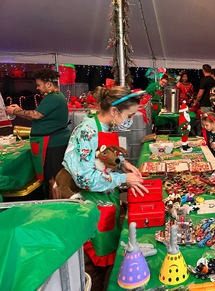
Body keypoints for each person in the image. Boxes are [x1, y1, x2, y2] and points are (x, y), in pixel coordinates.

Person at [62, 86, 148, 290]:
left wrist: (122, 164)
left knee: (106, 259)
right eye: (130, 115)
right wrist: (122, 178)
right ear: (114, 111)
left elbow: (103, 156)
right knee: (92, 266)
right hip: (85, 202)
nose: (130, 120)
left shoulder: (106, 126)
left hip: (104, 200)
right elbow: (84, 178)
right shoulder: (88, 130)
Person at [6, 68, 70, 199]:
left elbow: (36, 115)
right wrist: (20, 110)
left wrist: (15, 112)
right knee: (51, 178)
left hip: (52, 144)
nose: (37, 88)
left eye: (39, 85)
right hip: (50, 142)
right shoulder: (52, 97)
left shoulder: (53, 97)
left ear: (48, 84)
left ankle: (56, 207)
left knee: (54, 179)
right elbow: (38, 116)